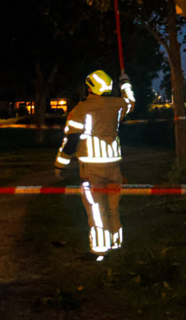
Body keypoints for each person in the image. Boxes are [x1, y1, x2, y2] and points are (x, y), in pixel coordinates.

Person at [53, 69, 135, 261]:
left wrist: (60, 164)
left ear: (89, 88)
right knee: (113, 208)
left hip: (91, 170)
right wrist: (126, 83)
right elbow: (131, 102)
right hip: (114, 168)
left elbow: (71, 141)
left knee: (97, 209)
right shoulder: (118, 105)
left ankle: (99, 250)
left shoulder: (81, 110)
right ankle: (116, 245)